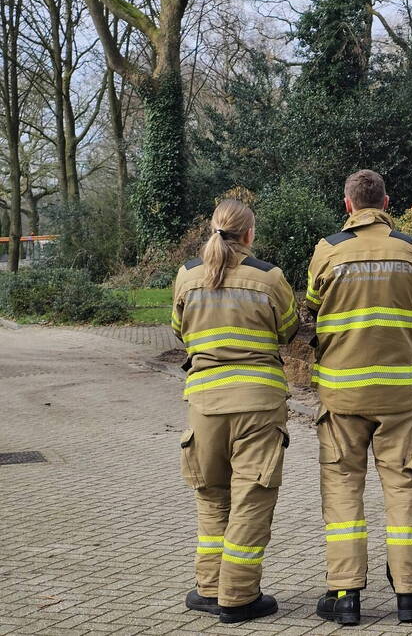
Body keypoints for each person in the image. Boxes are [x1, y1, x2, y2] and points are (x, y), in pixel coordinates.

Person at [305, 169, 412, 626]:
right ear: (386, 200)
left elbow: (311, 307)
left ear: (348, 205)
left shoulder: (328, 250)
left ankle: (345, 596)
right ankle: (409, 596)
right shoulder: (411, 249)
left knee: (343, 490)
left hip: (342, 395)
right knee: (403, 487)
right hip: (400, 394)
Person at [172, 199, 299, 624]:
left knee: (211, 496)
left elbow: (179, 329)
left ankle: (208, 589)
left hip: (204, 403)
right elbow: (287, 330)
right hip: (258, 404)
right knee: (251, 499)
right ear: (249, 234)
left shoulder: (188, 275)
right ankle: (239, 596)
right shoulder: (269, 277)